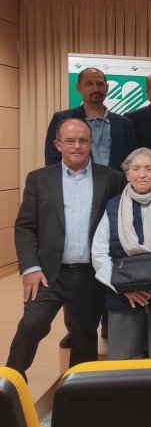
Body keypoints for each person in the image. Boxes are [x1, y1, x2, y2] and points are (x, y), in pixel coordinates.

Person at [6, 119, 125, 376]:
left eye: (83, 140)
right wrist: (30, 267)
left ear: (91, 143)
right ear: (58, 145)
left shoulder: (112, 178)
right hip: (48, 273)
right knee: (31, 325)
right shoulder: (39, 179)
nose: (77, 146)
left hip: (89, 274)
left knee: (84, 335)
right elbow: (25, 227)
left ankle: (79, 397)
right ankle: (10, 387)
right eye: (70, 141)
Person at [91, 148, 151, 359]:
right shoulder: (112, 206)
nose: (142, 174)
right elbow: (99, 254)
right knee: (123, 361)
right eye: (136, 169)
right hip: (123, 295)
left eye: (149, 169)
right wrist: (124, 289)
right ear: (127, 174)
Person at [44, 68, 138, 171]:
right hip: (75, 184)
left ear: (107, 88)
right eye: (89, 84)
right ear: (78, 87)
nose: (96, 89)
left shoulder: (125, 124)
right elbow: (52, 161)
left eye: (100, 84)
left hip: (116, 185)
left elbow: (132, 162)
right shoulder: (62, 119)